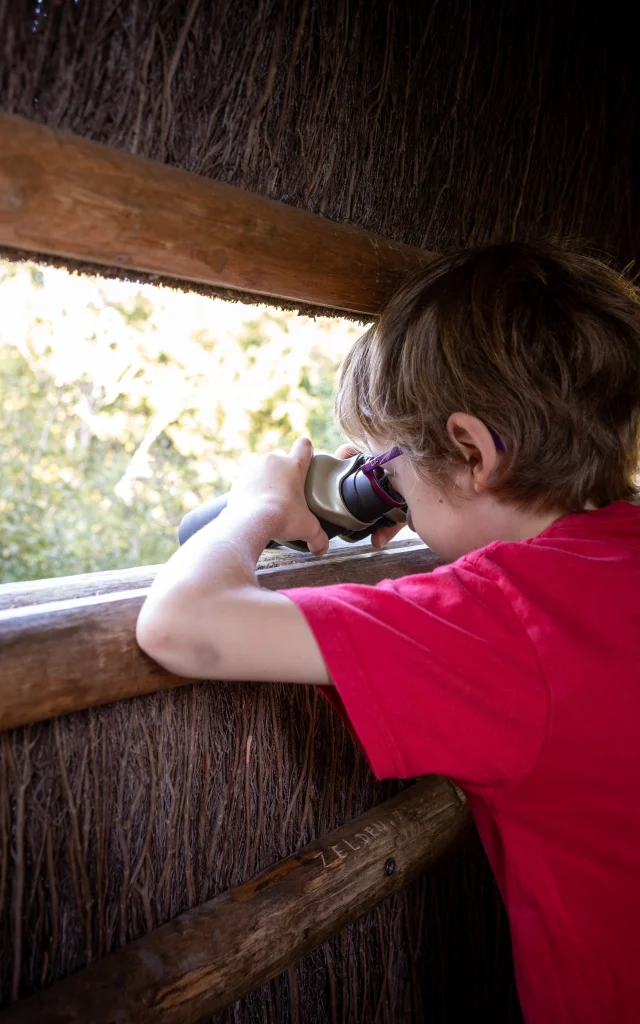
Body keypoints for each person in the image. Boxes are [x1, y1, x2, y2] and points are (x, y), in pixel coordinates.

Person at [136, 240, 640, 1024]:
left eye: (389, 469)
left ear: (473, 450)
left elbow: (181, 625)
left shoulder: (502, 617)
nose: (388, 491)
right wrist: (420, 494)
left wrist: (256, 506)